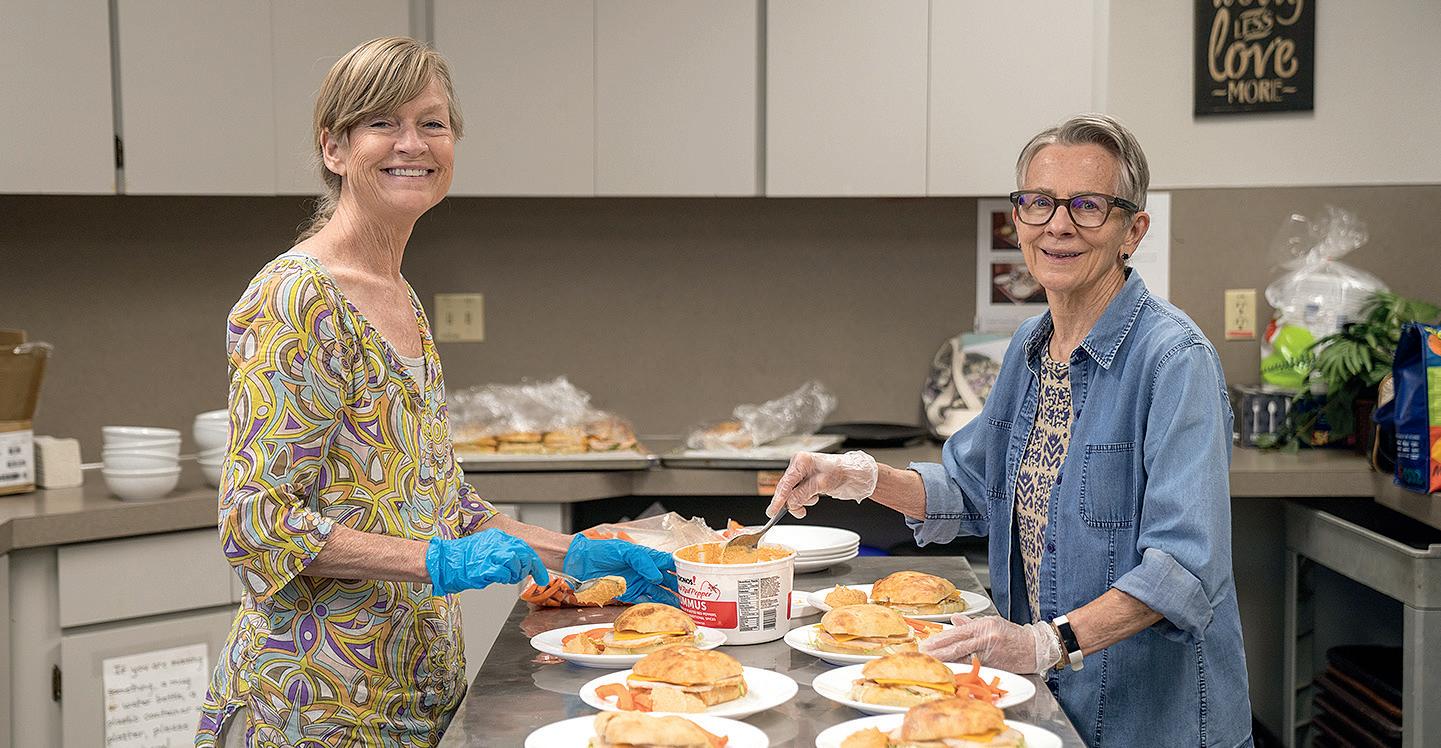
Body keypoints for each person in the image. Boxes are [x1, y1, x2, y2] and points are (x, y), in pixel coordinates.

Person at [196, 37, 676, 747]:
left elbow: (441, 501)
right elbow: (256, 524)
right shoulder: (298, 299)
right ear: (334, 148)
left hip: (411, 698)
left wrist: (571, 553)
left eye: (432, 123)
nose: (412, 144)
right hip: (317, 706)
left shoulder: (398, 297)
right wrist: (436, 560)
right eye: (382, 123)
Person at [768, 114, 1253, 746]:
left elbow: (1184, 569)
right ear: (1017, 219)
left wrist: (1047, 642)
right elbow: (973, 490)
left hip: (1153, 724)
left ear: (1133, 230)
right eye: (1038, 202)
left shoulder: (1173, 361)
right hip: (1054, 704)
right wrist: (856, 476)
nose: (1058, 224)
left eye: (1088, 205)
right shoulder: (1031, 347)